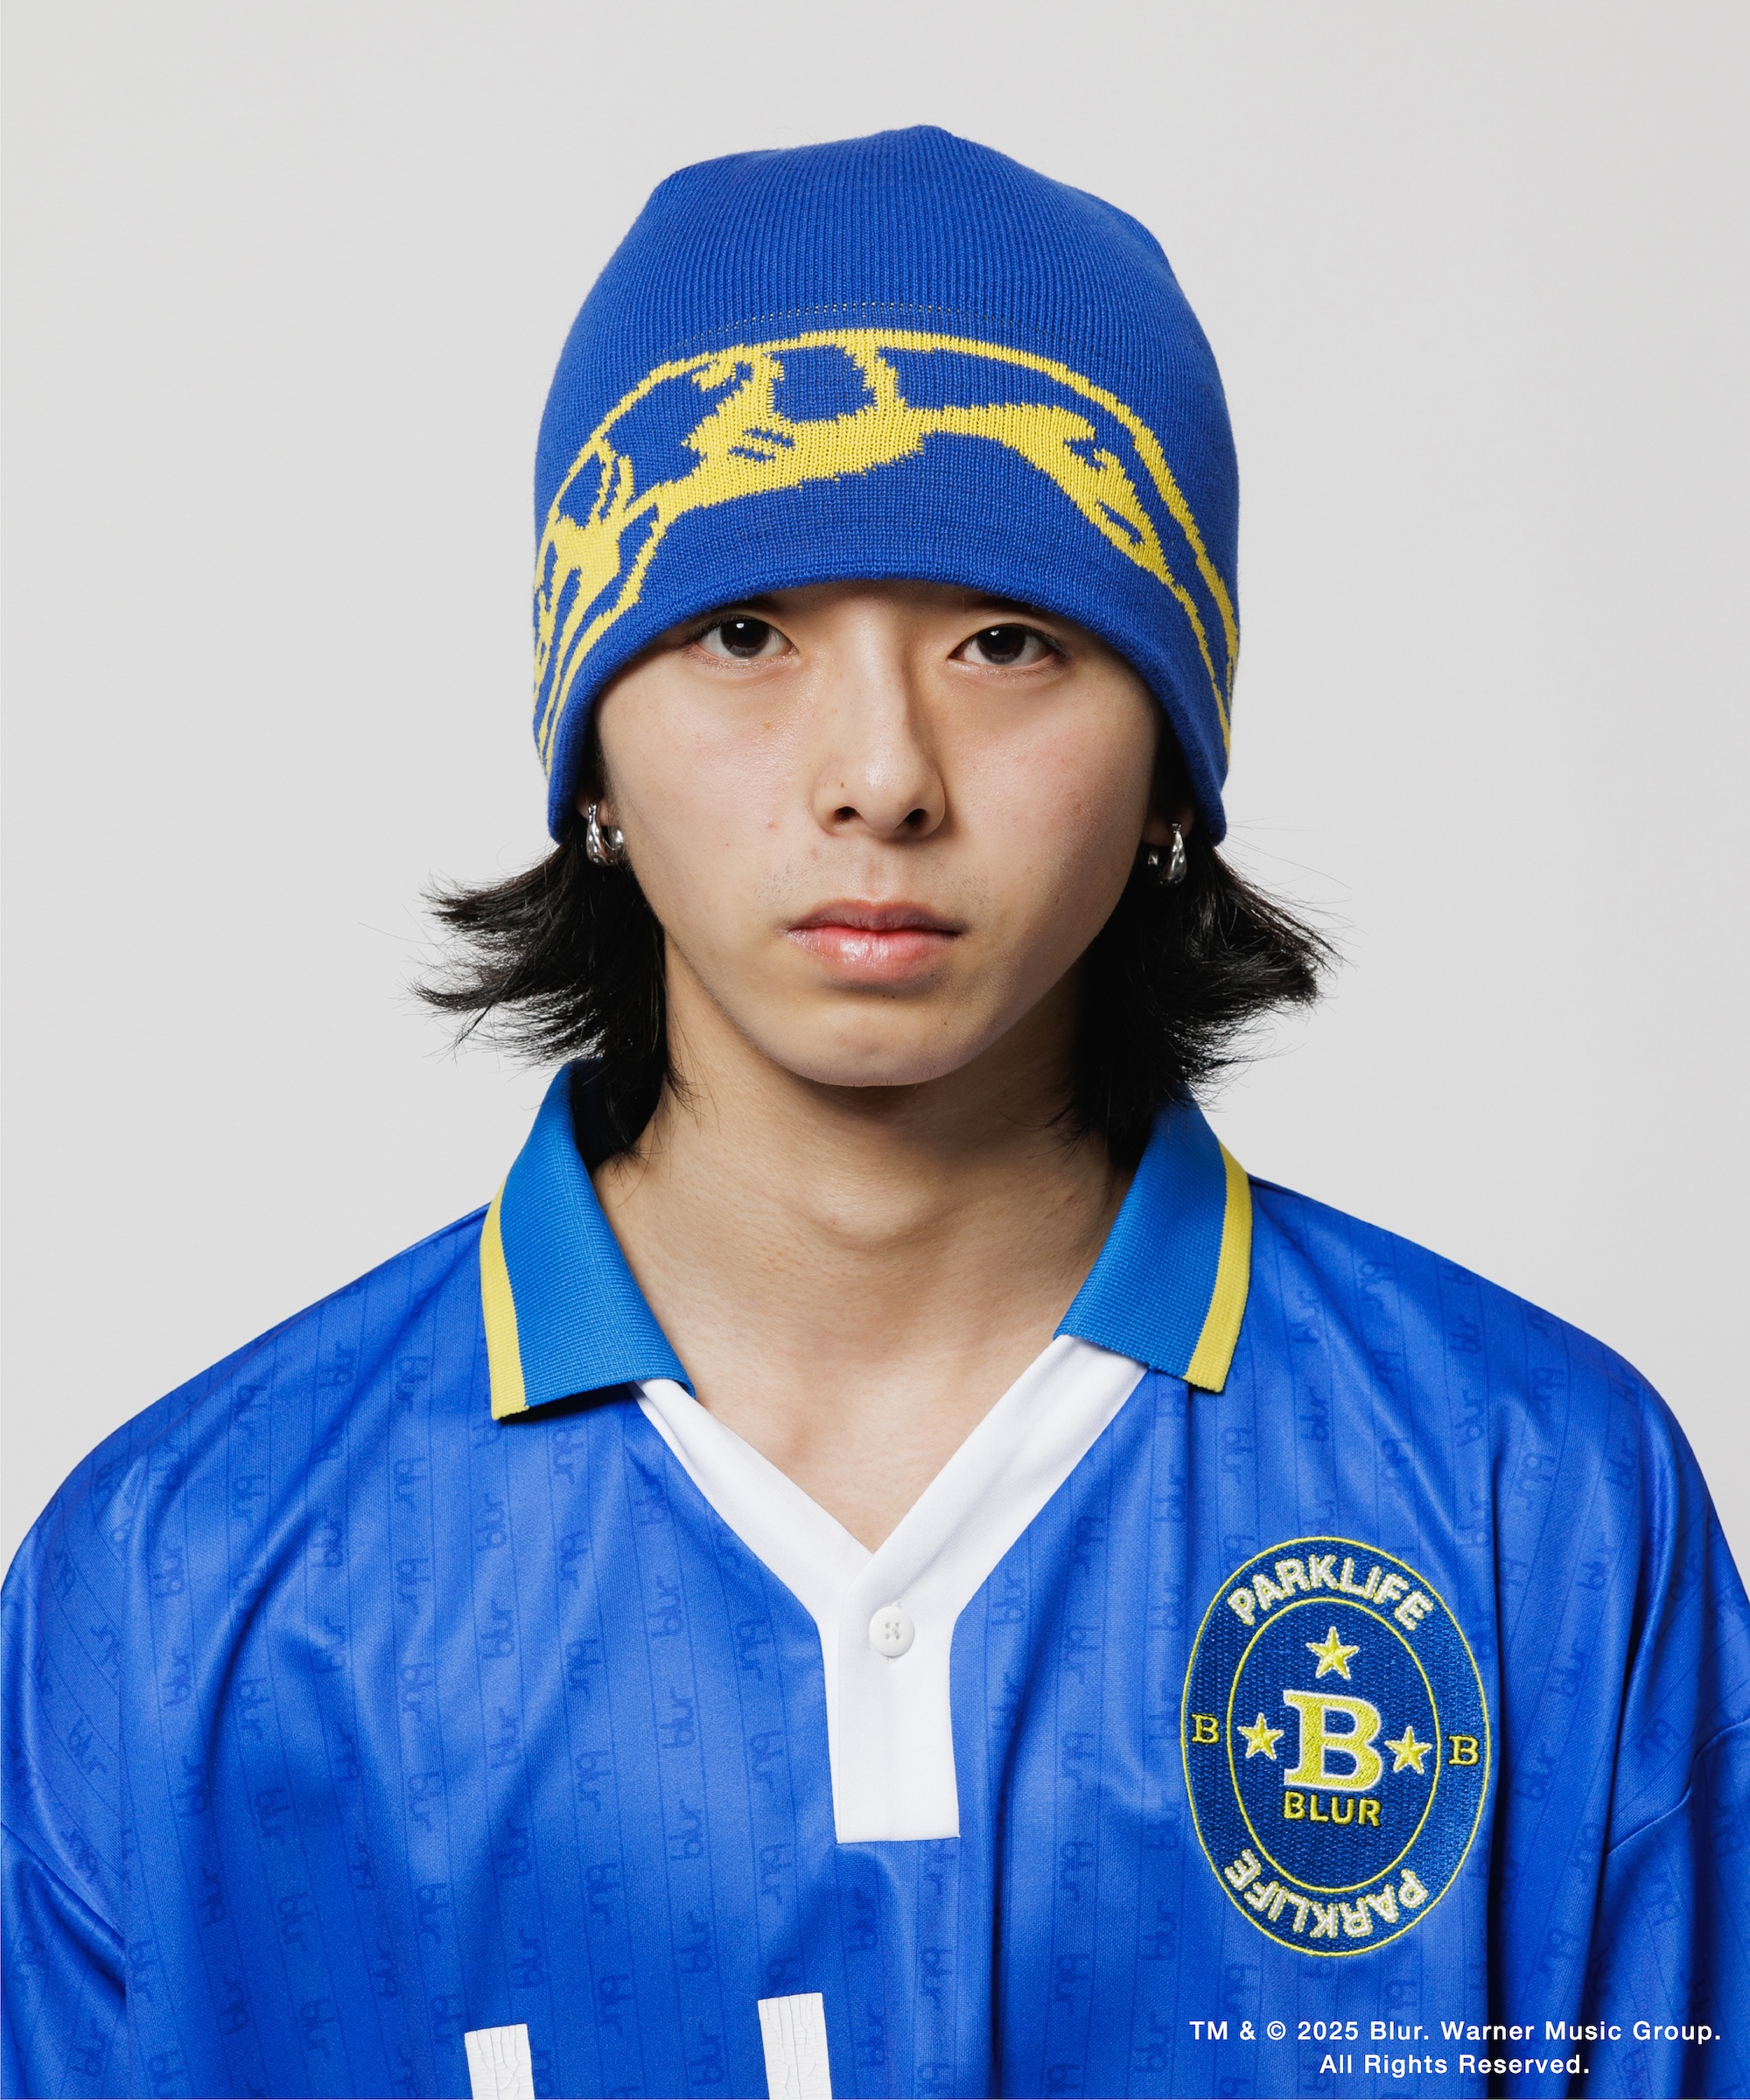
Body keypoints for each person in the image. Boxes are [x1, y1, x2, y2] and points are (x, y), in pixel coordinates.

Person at [3, 126, 1745, 2100]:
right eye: (743, 632)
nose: (881, 776)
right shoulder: (188, 1580)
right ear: (591, 749)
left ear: (1171, 766)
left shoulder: (1534, 1503)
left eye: (1007, 639)